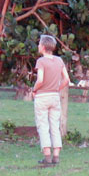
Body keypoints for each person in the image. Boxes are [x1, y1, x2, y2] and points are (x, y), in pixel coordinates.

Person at [32, 34, 70, 166]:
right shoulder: (59, 60)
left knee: (43, 125)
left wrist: (34, 90)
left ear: (43, 47)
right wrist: (57, 88)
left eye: (39, 44)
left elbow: (40, 80)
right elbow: (66, 79)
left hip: (42, 96)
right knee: (55, 125)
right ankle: (56, 156)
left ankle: (47, 156)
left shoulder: (41, 62)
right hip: (55, 96)